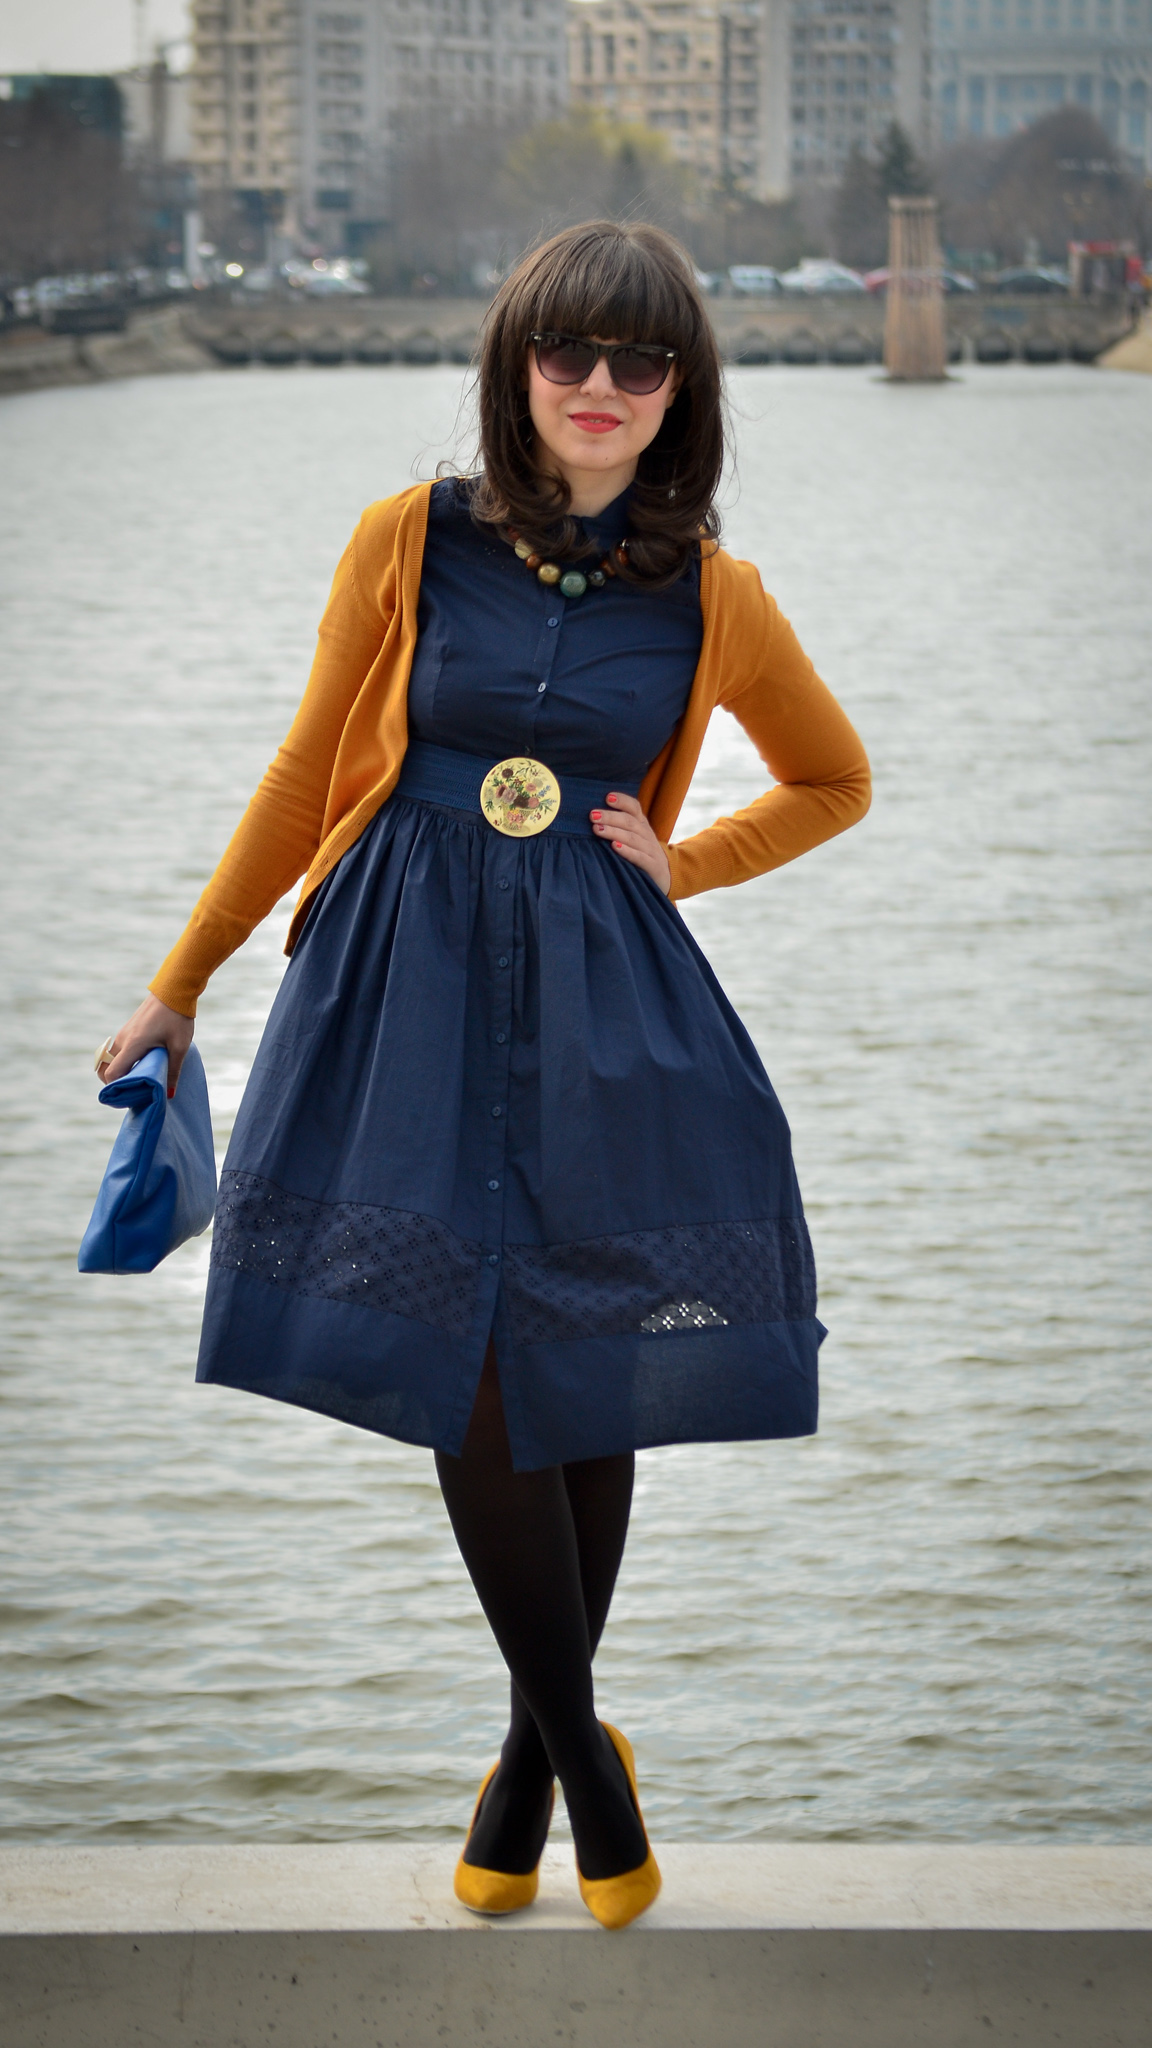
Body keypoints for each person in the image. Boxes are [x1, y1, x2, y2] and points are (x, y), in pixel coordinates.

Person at [97, 221, 870, 1930]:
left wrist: (688, 861)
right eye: (567, 356)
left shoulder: (713, 595)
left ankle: (531, 1759)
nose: (600, 389)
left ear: (684, 394)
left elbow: (833, 780)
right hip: (401, 982)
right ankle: (589, 1764)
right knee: (474, 1369)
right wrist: (182, 980)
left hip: (608, 1000)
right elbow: (310, 768)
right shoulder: (407, 540)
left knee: (586, 1347)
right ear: (517, 371)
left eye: (640, 363)